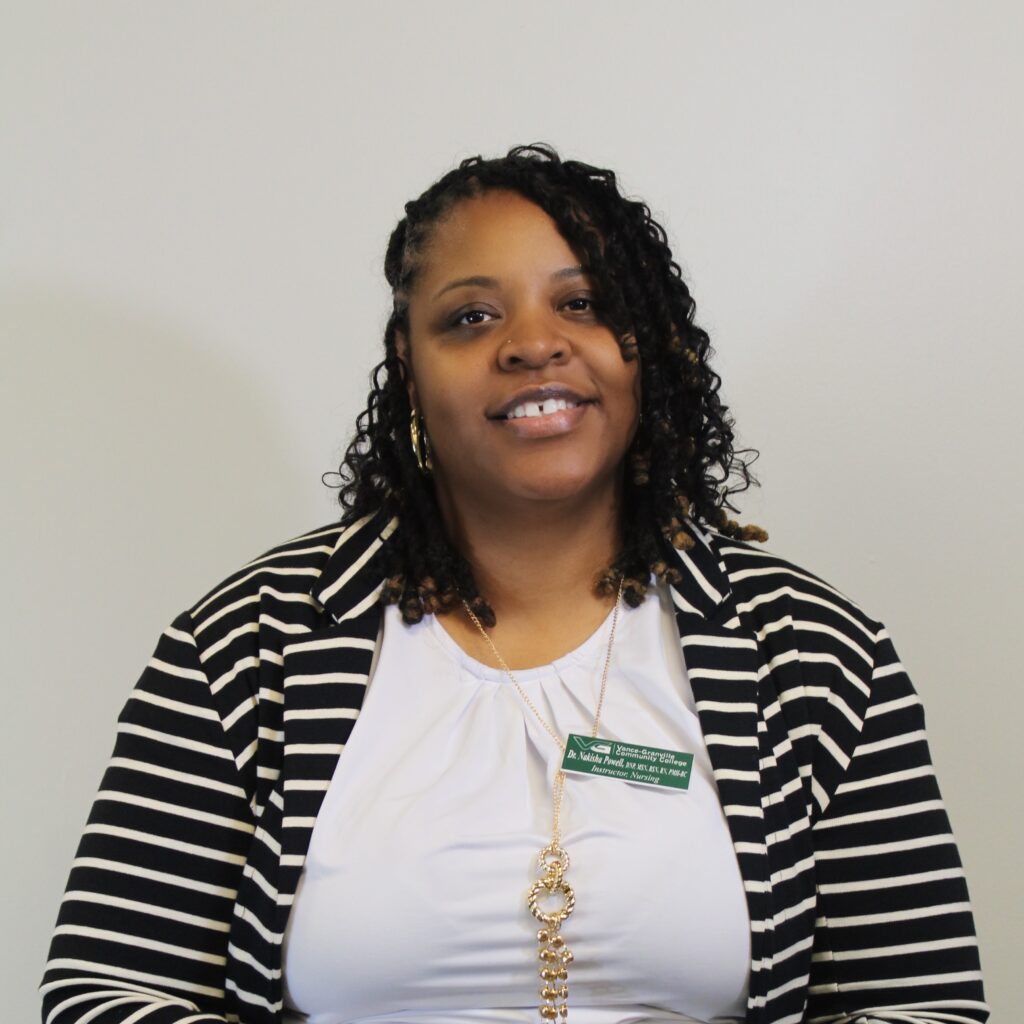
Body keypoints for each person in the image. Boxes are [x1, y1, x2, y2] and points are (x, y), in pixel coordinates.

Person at [40, 143, 988, 1024]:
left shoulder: (812, 653)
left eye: (583, 303)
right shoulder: (249, 642)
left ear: (645, 352)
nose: (535, 343)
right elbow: (100, 990)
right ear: (409, 370)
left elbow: (928, 1004)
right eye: (472, 316)